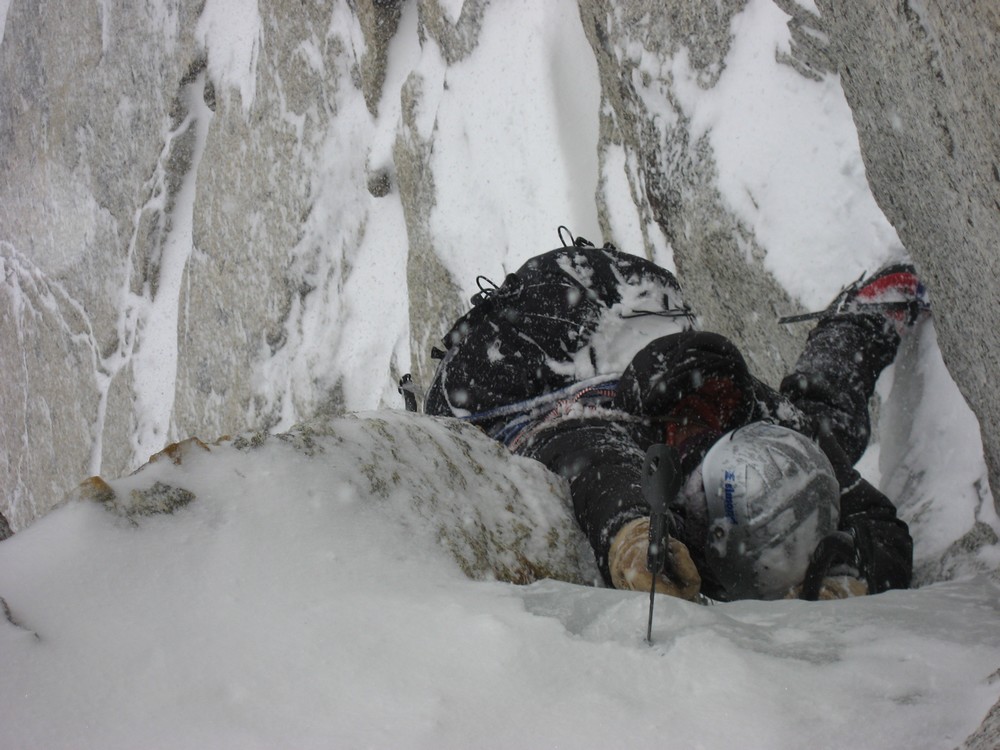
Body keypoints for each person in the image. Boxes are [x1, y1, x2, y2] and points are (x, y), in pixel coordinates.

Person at [420, 228, 925, 602]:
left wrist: (850, 578)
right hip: (542, 397)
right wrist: (633, 536)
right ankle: (857, 322)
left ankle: (854, 328)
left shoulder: (778, 436)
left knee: (826, 422)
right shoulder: (612, 436)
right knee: (829, 417)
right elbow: (594, 461)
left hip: (670, 373)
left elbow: (879, 522)